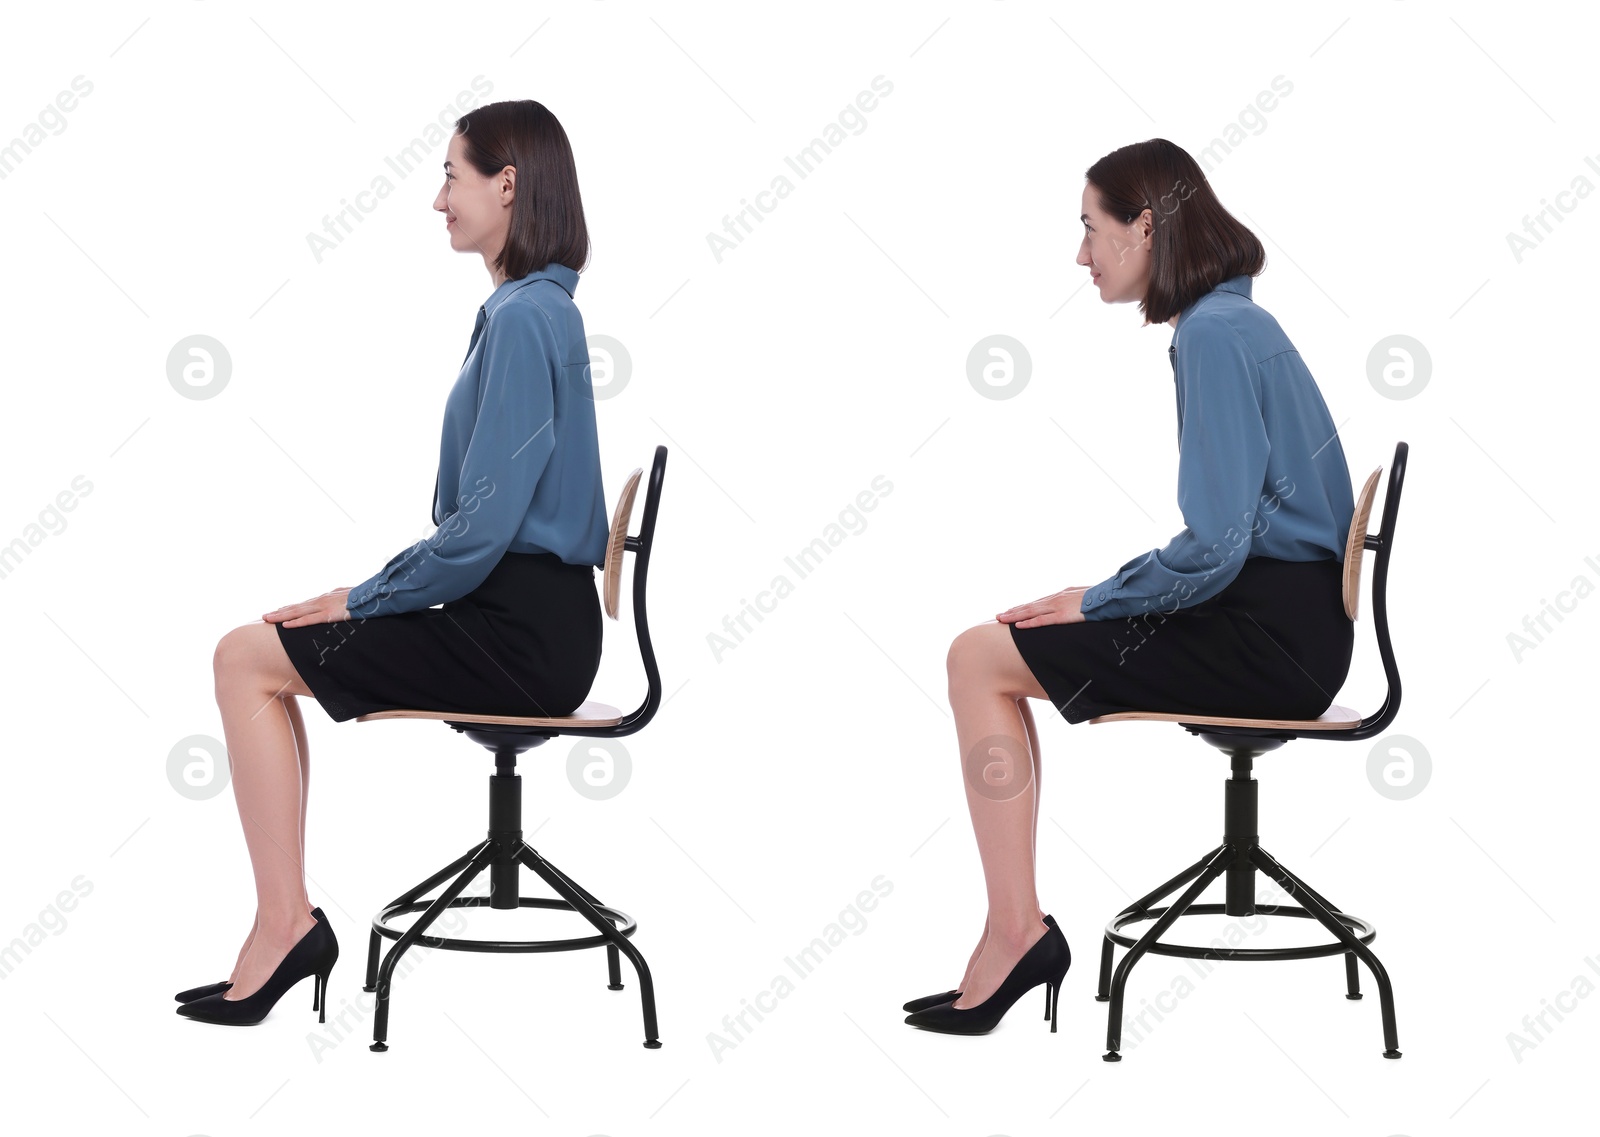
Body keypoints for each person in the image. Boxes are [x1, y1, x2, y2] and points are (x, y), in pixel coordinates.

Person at [903, 138, 1357, 1035]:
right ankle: (1014, 931)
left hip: (1268, 638)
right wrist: (1108, 591)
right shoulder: (1236, 322)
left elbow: (1218, 543)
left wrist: (1102, 596)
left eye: (1090, 229)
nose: (1082, 256)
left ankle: (1016, 933)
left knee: (976, 657)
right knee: (990, 653)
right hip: (1289, 623)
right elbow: (1233, 536)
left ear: (1144, 228)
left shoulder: (1215, 334)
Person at [176, 100, 610, 1026]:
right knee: (263, 654)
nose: (437, 199)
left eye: (452, 175)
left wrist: (361, 597)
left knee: (242, 655)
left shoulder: (528, 318)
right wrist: (369, 598)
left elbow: (481, 529)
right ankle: (281, 922)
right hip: (526, 619)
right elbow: (482, 528)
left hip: (519, 636)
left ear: (508, 182)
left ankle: (285, 925)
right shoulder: (533, 310)